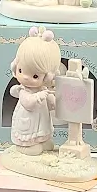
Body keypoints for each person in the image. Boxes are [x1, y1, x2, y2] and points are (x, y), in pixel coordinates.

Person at [8, 26, 61, 155]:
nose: (26, 77)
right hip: (28, 119)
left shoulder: (43, 89)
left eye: (35, 76)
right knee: (30, 133)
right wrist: (39, 96)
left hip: (41, 119)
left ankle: (42, 141)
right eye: (21, 70)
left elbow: (51, 104)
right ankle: (24, 146)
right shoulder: (23, 90)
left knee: (42, 132)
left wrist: (53, 100)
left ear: (48, 76)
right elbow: (28, 103)